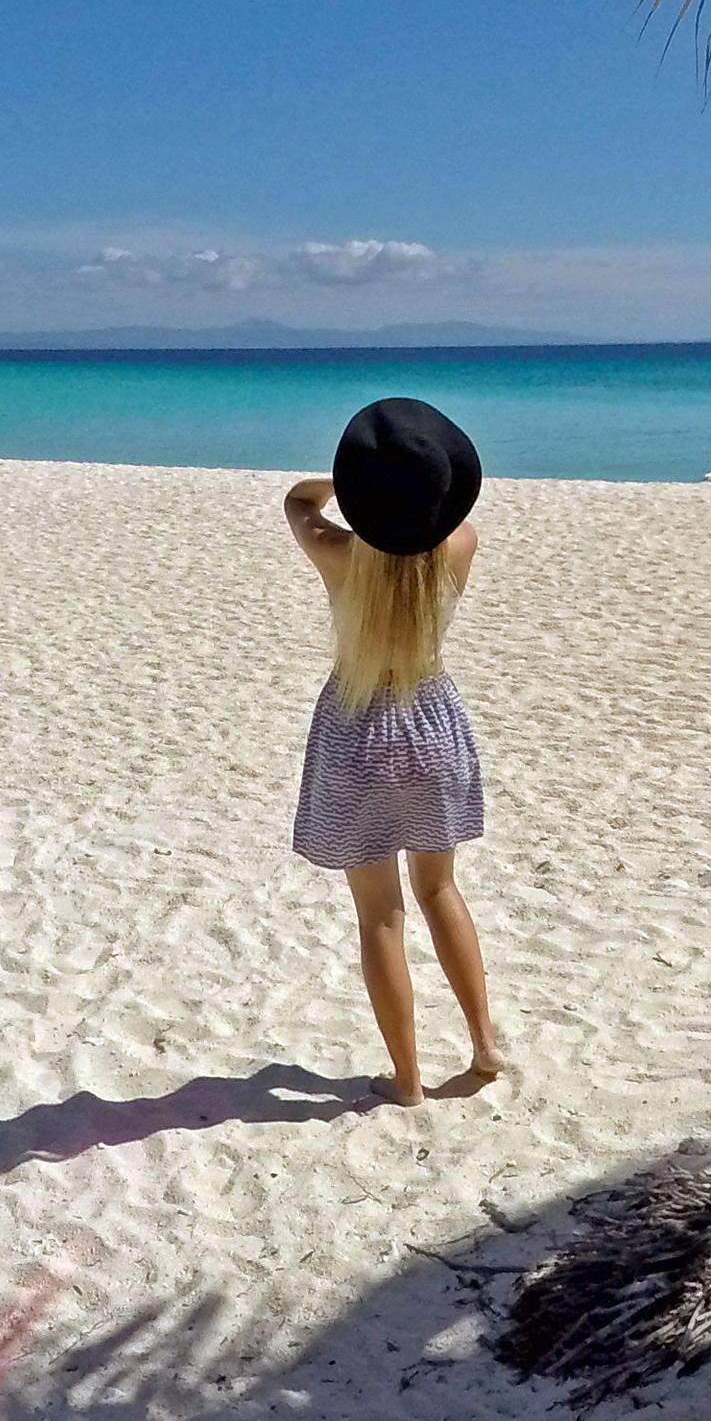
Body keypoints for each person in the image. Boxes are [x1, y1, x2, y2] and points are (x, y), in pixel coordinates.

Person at [281, 397, 503, 1105]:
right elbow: (447, 509)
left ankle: (406, 1082)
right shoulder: (458, 546)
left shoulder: (335, 550)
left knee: (380, 915)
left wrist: (346, 485)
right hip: (430, 718)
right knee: (439, 890)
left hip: (355, 729)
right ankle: (483, 1045)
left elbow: (298, 499)